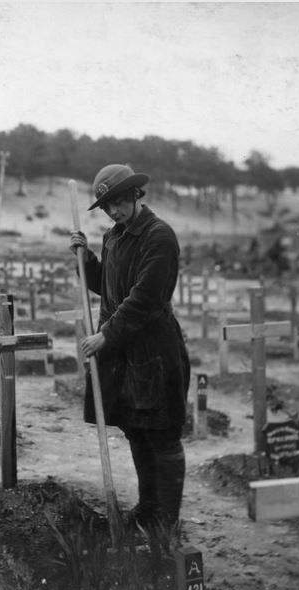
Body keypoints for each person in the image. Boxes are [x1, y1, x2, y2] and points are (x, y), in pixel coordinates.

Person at [69, 163, 190, 531]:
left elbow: (145, 298)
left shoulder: (159, 236)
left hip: (154, 352)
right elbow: (108, 287)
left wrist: (106, 334)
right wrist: (85, 259)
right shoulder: (113, 237)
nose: (114, 211)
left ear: (136, 195)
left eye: (119, 203)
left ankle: (166, 522)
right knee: (136, 430)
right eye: (107, 207)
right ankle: (148, 508)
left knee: (162, 435)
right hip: (124, 354)